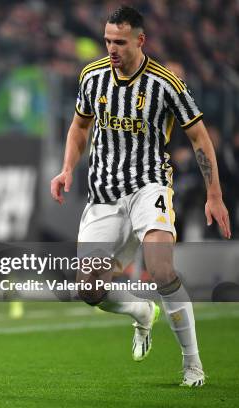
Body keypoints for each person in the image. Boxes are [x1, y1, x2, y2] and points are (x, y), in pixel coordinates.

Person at [50, 6, 230, 388]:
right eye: (107, 41)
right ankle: (141, 312)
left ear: (140, 40)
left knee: (162, 269)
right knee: (89, 289)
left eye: (120, 42)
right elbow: (79, 126)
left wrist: (214, 194)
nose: (112, 48)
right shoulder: (92, 76)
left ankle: (192, 364)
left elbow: (199, 137)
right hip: (102, 194)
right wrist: (67, 168)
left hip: (150, 187)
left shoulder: (166, 83)